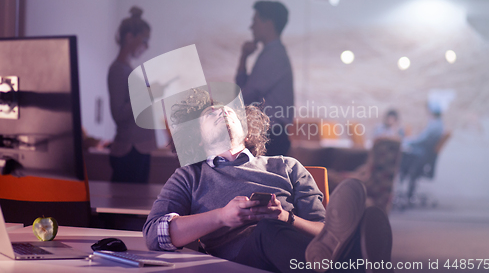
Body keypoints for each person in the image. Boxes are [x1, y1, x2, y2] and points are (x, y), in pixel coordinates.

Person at [143, 88, 394, 273]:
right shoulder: (189, 176)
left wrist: (287, 217)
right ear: (197, 138)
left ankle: (346, 261)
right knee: (266, 230)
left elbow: (324, 232)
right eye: (211, 115)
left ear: (246, 127)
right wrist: (221, 216)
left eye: (229, 112)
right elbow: (155, 233)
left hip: (295, 252)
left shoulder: (287, 166)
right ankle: (356, 262)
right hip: (238, 262)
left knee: (276, 227)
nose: (222, 113)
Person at [236, 0, 294, 156]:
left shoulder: (273, 56)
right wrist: (244, 58)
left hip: (270, 136)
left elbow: (245, 96)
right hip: (270, 134)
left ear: (268, 23)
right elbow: (244, 92)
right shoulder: (272, 54)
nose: (251, 27)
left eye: (255, 21)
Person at [107, 6, 157, 183]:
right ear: (129, 37)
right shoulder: (118, 70)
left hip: (137, 149)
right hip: (130, 151)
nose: (146, 46)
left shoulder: (127, 69)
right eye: (144, 40)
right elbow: (118, 114)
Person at [399, 101, 444, 200]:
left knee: (402, 157)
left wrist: (407, 141)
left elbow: (421, 140)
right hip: (424, 155)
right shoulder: (439, 124)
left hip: (420, 156)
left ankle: (400, 188)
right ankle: (407, 192)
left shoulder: (434, 125)